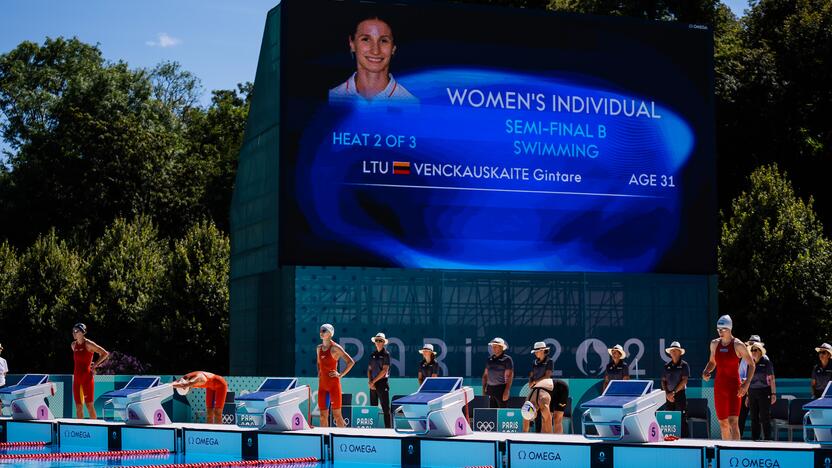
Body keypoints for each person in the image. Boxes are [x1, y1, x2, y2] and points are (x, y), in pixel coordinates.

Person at [329, 17, 417, 105]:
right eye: (366, 39)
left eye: (384, 41)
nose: (375, 51)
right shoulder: (332, 97)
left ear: (393, 48)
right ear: (352, 44)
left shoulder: (411, 104)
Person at [702, 315, 755, 440]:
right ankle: (725, 451)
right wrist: (706, 371)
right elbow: (712, 362)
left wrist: (746, 384)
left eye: (723, 329)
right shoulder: (714, 344)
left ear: (730, 328)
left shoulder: (738, 345)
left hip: (734, 387)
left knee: (733, 422)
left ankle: (735, 452)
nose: (720, 331)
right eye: (718, 329)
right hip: (719, 388)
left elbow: (752, 365)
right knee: (723, 423)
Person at [524, 341, 569, 433]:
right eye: (535, 351)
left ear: (543, 351)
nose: (535, 353)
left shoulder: (549, 361)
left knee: (557, 419)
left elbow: (547, 376)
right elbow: (531, 375)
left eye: (537, 351)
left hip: (558, 389)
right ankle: (545, 442)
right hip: (543, 390)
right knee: (545, 420)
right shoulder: (534, 362)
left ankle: (558, 442)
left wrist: (535, 382)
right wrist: (530, 382)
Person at [317, 323, 354, 427]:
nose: (321, 332)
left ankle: (344, 439)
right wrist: (320, 376)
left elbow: (350, 362)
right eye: (320, 330)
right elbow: (319, 364)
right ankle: (324, 439)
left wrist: (340, 375)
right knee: (322, 416)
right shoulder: (318, 348)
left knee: (337, 416)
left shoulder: (335, 348)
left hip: (333, 385)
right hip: (322, 386)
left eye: (324, 330)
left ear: (330, 333)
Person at [71, 323, 109, 419]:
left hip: (86, 378)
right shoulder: (73, 345)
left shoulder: (88, 344)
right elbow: (81, 360)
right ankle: (80, 430)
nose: (74, 333)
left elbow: (105, 353)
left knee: (89, 406)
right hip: (76, 379)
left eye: (77, 331)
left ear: (83, 333)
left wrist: (95, 365)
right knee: (78, 407)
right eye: (73, 331)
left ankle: (95, 428)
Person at [746, 341, 776, 440]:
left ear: (760, 351)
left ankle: (767, 439)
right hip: (752, 392)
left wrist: (773, 394)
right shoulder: (750, 363)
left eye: (755, 350)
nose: (753, 352)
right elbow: (748, 380)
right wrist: (747, 396)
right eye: (752, 350)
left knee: (764, 417)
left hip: (764, 391)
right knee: (754, 417)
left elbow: (771, 378)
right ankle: (755, 439)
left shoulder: (766, 362)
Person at [661, 341, 690, 438]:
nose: (673, 352)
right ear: (670, 353)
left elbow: (684, 381)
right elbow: (663, 381)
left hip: (680, 395)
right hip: (668, 397)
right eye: (672, 350)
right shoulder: (666, 366)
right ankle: (670, 440)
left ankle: (686, 442)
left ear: (680, 352)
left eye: (676, 350)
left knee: (682, 419)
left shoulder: (684, 365)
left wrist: (673, 393)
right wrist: (667, 394)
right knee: (669, 419)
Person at [738, 335, 763, 437]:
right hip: (745, 391)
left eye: (755, 345)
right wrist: (746, 381)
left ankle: (756, 442)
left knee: (756, 417)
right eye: (751, 344)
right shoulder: (744, 359)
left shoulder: (764, 359)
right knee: (741, 417)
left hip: (757, 392)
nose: (753, 347)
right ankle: (737, 441)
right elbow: (740, 376)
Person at [368, 332, 392, 428]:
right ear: (375, 342)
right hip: (373, 383)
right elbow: (369, 369)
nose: (378, 342)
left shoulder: (386, 354)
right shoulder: (372, 354)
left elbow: (384, 371)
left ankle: (388, 430)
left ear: (383, 343)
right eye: (377, 340)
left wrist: (373, 381)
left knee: (385, 409)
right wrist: (370, 382)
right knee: (373, 408)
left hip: (382, 383)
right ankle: (372, 429)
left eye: (380, 340)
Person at [482, 338, 513, 408]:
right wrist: (483, 389)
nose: (493, 348)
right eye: (493, 346)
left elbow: (510, 376)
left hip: (501, 390)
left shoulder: (507, 359)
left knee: (502, 413)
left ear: (501, 347)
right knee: (491, 413)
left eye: (495, 346)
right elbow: (485, 375)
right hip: (490, 389)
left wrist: (506, 391)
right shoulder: (489, 359)